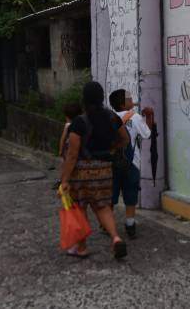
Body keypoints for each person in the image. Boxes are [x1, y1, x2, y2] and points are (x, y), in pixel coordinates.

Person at [60, 81, 129, 259]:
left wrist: (65, 180)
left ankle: (81, 248)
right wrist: (112, 149)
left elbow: (72, 154)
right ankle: (115, 238)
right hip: (105, 170)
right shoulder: (112, 117)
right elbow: (125, 138)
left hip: (81, 173)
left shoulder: (79, 122)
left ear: (84, 99)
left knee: (80, 208)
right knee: (103, 207)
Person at [108, 89, 154, 239]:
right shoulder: (134, 117)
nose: (132, 100)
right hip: (131, 163)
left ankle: (106, 224)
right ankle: (130, 224)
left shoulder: (109, 117)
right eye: (129, 98)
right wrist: (150, 115)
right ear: (123, 103)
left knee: (110, 196)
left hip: (112, 164)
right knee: (130, 195)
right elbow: (147, 134)